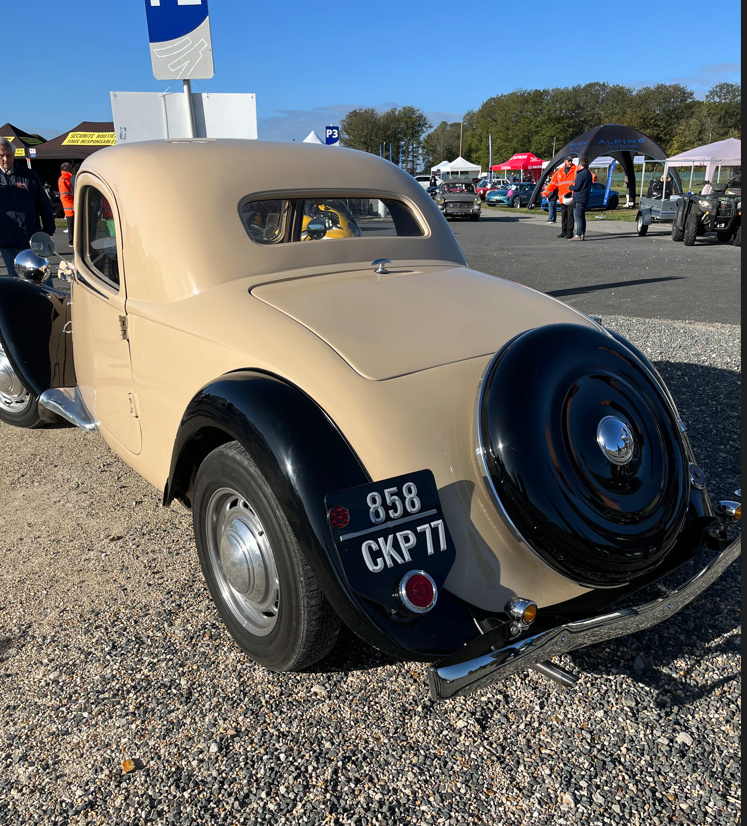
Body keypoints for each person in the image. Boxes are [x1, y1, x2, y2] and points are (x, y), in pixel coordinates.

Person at [0, 137, 55, 276]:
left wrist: (48, 231)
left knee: (42, 279)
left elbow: (44, 204)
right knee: (17, 282)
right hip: (6, 241)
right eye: (1, 156)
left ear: (13, 155)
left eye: (8, 155)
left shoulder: (29, 175)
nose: (5, 159)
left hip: (32, 240)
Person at [544, 155, 577, 239]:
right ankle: (564, 231)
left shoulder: (576, 169)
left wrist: (593, 178)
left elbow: (585, 173)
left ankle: (570, 232)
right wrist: (545, 192)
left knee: (570, 216)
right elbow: (553, 183)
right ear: (565, 161)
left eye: (571, 160)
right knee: (564, 216)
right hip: (562, 198)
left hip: (571, 197)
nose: (570, 162)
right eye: (569, 161)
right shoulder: (559, 172)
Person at [569, 156, 593, 241]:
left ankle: (578, 235)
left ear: (580, 164)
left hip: (579, 198)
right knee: (582, 217)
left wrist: (571, 187)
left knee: (578, 217)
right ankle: (582, 234)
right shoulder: (589, 174)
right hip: (585, 198)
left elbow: (577, 187)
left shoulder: (581, 174)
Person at [59, 162, 75, 247]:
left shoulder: (68, 178)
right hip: (70, 206)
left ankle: (73, 241)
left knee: (73, 225)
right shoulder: (64, 179)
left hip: (71, 205)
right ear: (67, 169)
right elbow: (65, 195)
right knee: (71, 225)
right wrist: (73, 204)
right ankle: (71, 242)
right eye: (70, 168)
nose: (72, 169)